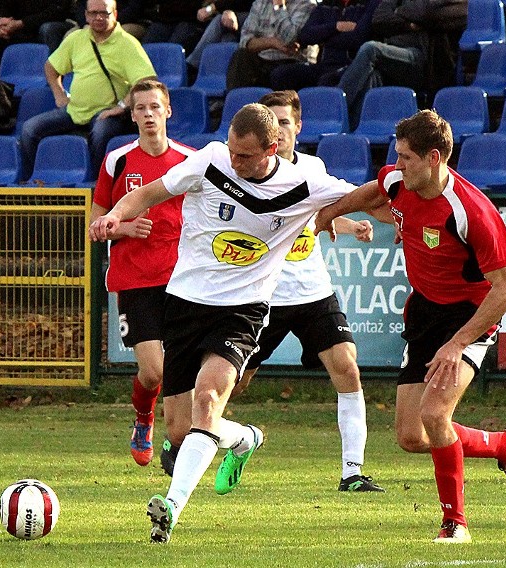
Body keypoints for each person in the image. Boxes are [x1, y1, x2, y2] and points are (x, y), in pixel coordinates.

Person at [89, 103, 358, 543]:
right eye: (232, 151)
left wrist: (403, 206)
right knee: (180, 430)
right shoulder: (210, 160)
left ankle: (171, 508)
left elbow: (365, 195)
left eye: (246, 156)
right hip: (186, 303)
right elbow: (149, 193)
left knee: (208, 397)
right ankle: (245, 438)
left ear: (272, 149)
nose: (235, 161)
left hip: (243, 310)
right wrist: (116, 215)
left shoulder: (306, 181)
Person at [314, 110, 506, 544]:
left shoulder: (474, 213)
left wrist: (458, 343)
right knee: (412, 436)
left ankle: (455, 523)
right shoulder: (400, 182)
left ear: (434, 159)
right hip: (425, 312)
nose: (399, 164)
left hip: (468, 319)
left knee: (435, 415)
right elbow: (374, 191)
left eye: (407, 157)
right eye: (397, 155)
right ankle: (505, 446)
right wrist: (329, 214)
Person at [163, 89, 387, 492]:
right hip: (262, 295)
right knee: (231, 387)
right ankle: (217, 436)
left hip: (312, 291)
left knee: (346, 365)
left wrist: (358, 222)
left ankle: (352, 471)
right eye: (275, 122)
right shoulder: (235, 170)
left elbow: (335, 205)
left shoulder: (311, 172)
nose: (281, 131)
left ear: (296, 128)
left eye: (286, 122)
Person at [91, 79, 196, 467]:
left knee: (189, 367)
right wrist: (123, 227)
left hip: (184, 279)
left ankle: (182, 442)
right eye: (140, 109)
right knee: (153, 372)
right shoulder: (117, 160)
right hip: (135, 279)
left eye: (155, 107)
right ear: (132, 115)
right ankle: (144, 417)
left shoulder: (190, 160)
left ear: (168, 111)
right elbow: (94, 223)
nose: (148, 114)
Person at [20, 0, 156, 180]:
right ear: (85, 15)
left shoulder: (127, 44)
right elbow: (51, 67)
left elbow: (146, 81)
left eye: (104, 13)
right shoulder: (76, 38)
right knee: (29, 129)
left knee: (101, 134)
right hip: (74, 109)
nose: (98, 17)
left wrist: (122, 106)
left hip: (107, 111)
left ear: (114, 14)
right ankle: (33, 181)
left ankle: (96, 185)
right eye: (93, 13)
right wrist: (59, 93)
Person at [336, 0, 466, 128]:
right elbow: (379, 18)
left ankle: (335, 107)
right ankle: (354, 128)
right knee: (372, 75)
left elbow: (430, 12)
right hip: (393, 56)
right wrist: (410, 25)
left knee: (371, 49)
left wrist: (399, 11)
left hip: (424, 60)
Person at [270, 0, 380, 91]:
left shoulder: (370, 3)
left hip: (353, 65)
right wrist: (336, 27)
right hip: (325, 64)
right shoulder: (326, 5)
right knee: (281, 74)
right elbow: (305, 36)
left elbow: (358, 37)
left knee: (327, 81)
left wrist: (323, 37)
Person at [225, 0, 317, 91]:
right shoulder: (260, 3)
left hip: (293, 61)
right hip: (264, 60)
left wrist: (279, 7)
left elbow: (290, 38)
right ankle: (234, 102)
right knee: (241, 56)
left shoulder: (306, 4)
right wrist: (272, 42)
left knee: (281, 75)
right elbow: (245, 42)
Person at [0, 0, 75, 62]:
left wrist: (22, 23)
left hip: (48, 25)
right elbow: (1, 6)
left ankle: (53, 80)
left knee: (48, 29)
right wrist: (0, 22)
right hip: (16, 27)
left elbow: (58, 11)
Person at [185, 0, 253, 73]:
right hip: (227, 18)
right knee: (227, 37)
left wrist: (211, 8)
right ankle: (218, 76)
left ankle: (190, 65)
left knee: (219, 19)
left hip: (253, 17)